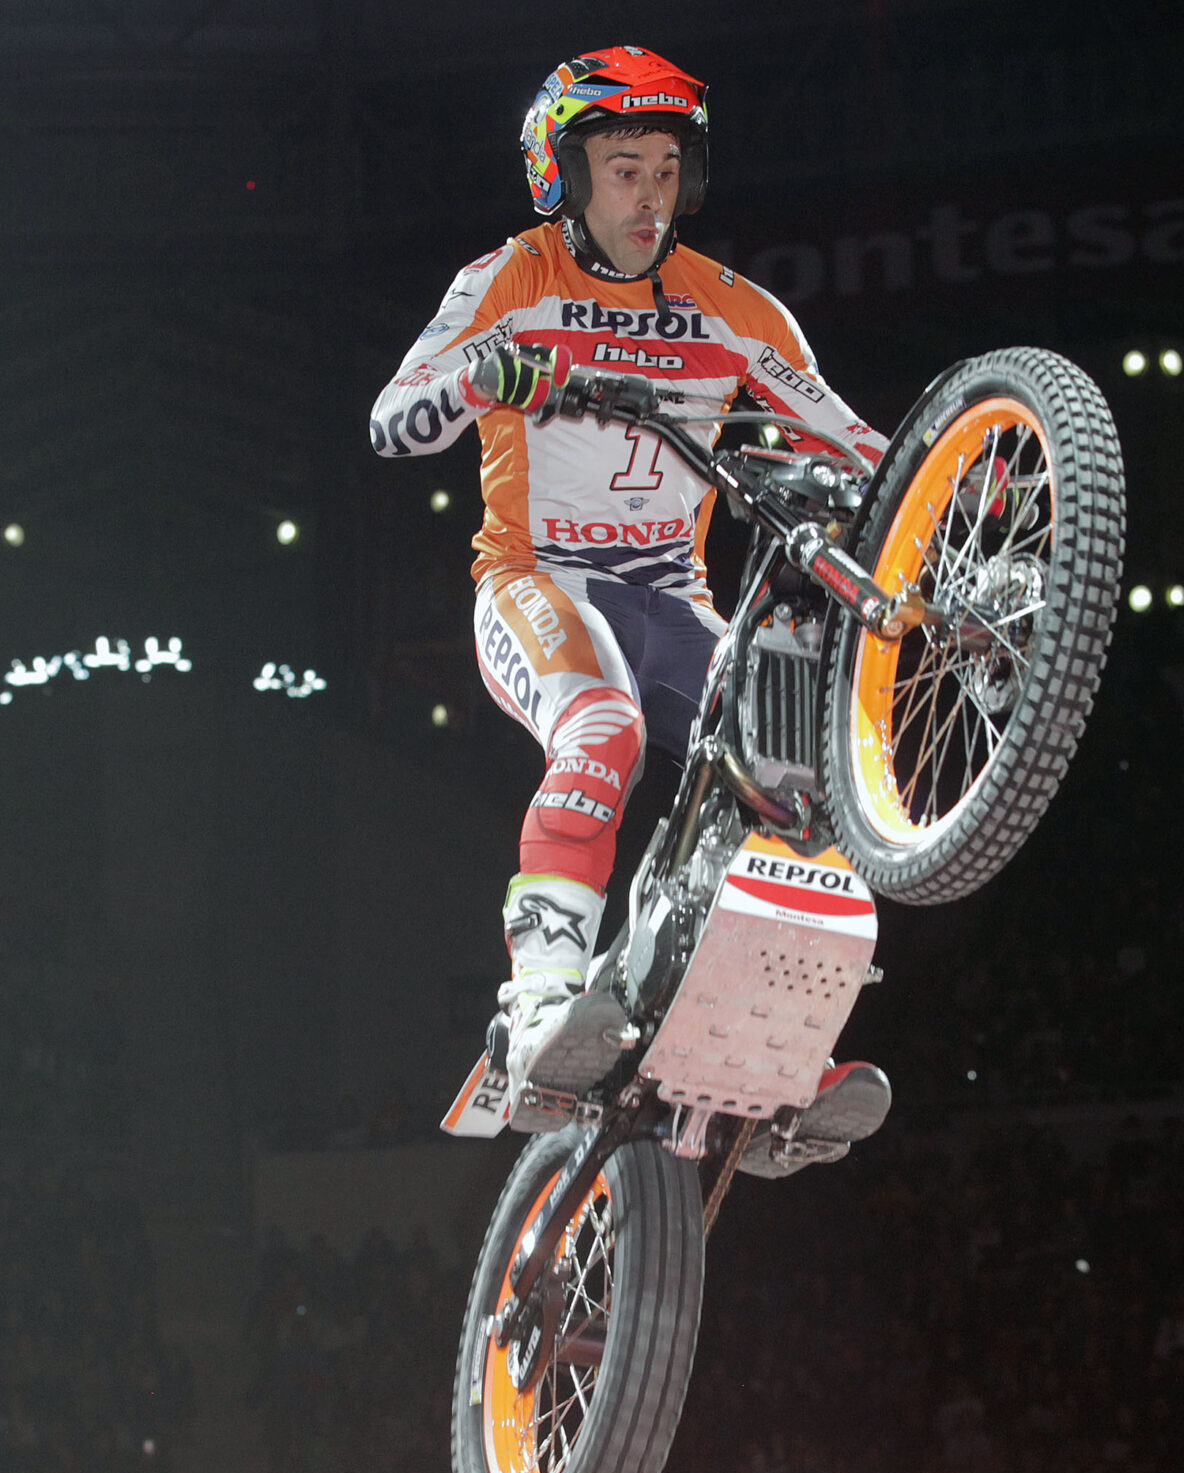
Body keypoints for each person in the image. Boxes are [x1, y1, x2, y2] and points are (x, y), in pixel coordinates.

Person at [370, 47, 893, 1122]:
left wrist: (955, 490)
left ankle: (772, 1046)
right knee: (600, 728)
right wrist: (484, 371)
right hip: (537, 580)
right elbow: (390, 424)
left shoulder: (735, 309)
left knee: (796, 789)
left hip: (671, 599)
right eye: (622, 169)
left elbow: (851, 442)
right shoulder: (507, 278)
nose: (649, 195)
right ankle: (541, 994)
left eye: (666, 168)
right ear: (561, 174)